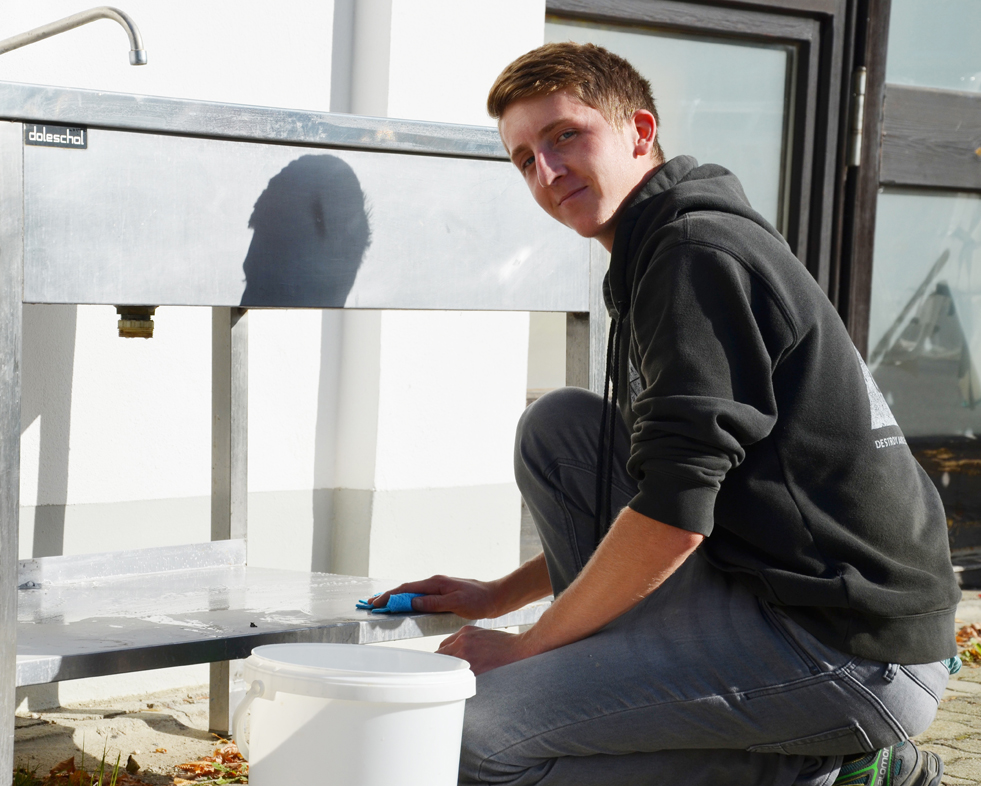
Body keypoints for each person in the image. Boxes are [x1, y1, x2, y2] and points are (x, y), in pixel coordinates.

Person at [369, 42, 960, 786]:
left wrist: (526, 648)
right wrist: (497, 597)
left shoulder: (694, 254)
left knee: (475, 736)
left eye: (564, 136)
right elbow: (662, 492)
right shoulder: (664, 246)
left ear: (639, 131)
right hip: (773, 597)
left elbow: (674, 518)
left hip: (848, 650)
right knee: (561, 430)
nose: (546, 171)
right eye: (523, 159)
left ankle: (833, 774)